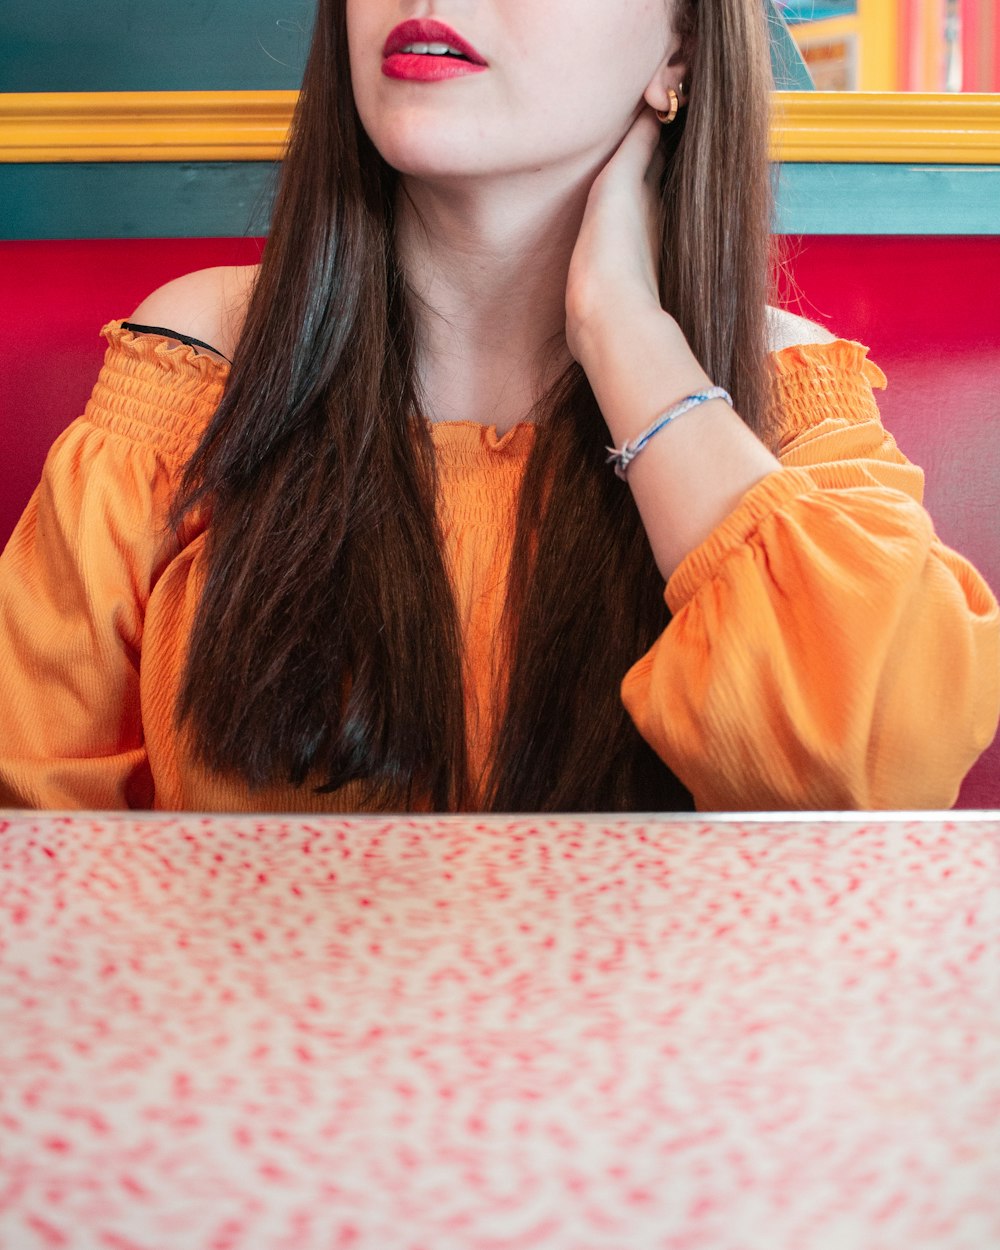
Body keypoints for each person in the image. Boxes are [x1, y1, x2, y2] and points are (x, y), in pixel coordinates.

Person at [1, 0, 997, 812]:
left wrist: (627, 335)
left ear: (681, 43)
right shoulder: (203, 370)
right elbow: (30, 823)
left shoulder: (784, 403)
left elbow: (865, 777)